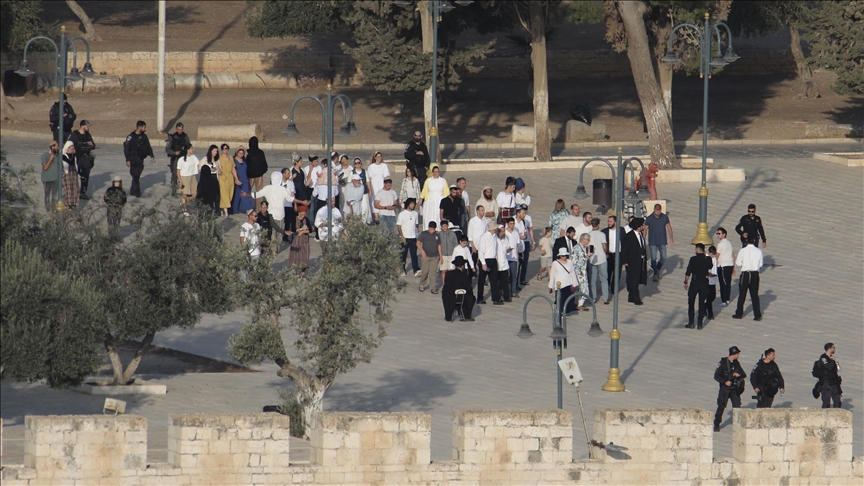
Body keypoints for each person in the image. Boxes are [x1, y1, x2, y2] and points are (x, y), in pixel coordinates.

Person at [243, 171, 295, 254]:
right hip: (280, 215)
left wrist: (246, 195)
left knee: (272, 232)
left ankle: (272, 248)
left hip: (271, 214)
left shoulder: (267, 188)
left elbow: (257, 194)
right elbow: (290, 199)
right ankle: (275, 249)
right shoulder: (282, 189)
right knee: (279, 232)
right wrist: (302, 201)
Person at [713, 346, 747, 432]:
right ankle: (716, 423)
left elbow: (743, 374)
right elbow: (716, 376)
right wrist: (725, 381)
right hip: (725, 388)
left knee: (737, 407)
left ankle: (738, 424)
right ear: (734, 354)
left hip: (734, 389)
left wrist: (738, 375)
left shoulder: (736, 363)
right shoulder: (723, 363)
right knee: (721, 406)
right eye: (737, 353)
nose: (738, 355)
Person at [732, 237, 763, 321]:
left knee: (742, 294)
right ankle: (757, 315)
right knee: (754, 295)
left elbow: (738, 263)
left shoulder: (743, 251)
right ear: (754, 241)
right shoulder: (758, 251)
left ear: (746, 241)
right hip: (754, 274)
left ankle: (739, 313)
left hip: (745, 273)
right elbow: (760, 264)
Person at [683, 243, 712, 329]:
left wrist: (685, 282)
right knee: (701, 302)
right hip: (704, 282)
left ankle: (691, 322)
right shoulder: (707, 259)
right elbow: (710, 266)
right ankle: (700, 323)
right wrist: (706, 255)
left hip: (695, 282)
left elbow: (688, 272)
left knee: (691, 302)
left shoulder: (693, 259)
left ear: (697, 250)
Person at [123, 121, 155, 198]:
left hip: (140, 159)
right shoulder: (131, 136)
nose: (145, 129)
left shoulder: (144, 136)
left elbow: (148, 146)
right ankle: (135, 193)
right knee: (135, 175)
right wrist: (127, 160)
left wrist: (152, 156)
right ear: (140, 127)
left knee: (137, 175)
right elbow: (126, 149)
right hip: (133, 158)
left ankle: (134, 191)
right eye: (144, 127)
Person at [644, 203, 674, 281]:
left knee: (663, 257)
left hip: (662, 240)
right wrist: (643, 240)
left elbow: (669, 227)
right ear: (654, 210)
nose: (658, 212)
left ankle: (658, 268)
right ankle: (655, 274)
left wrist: (671, 238)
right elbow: (645, 229)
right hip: (652, 241)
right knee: (653, 258)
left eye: (659, 211)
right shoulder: (649, 218)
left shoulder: (664, 217)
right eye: (656, 211)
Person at [622, 217, 647, 305]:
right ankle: (637, 299)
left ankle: (631, 297)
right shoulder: (629, 236)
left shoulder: (640, 235)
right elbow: (624, 249)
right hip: (632, 261)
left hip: (640, 260)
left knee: (636, 278)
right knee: (634, 280)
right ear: (638, 227)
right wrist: (624, 261)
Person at [442, 256, 475, 322]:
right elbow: (468, 287)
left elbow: (446, 284)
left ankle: (448, 316)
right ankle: (466, 315)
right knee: (471, 298)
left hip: (448, 295)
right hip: (459, 296)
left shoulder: (448, 273)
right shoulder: (464, 275)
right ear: (462, 266)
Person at [68, 120, 95, 199]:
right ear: (82, 126)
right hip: (77, 157)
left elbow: (93, 146)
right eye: (87, 126)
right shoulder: (75, 134)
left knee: (85, 175)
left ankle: (83, 192)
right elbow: (69, 144)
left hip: (86, 157)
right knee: (75, 174)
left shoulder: (88, 135)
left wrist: (91, 145)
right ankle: (73, 192)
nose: (88, 128)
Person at [549, 247, 577, 317]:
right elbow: (552, 275)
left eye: (565, 255)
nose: (564, 257)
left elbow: (572, 273)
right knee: (560, 300)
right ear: (560, 256)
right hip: (559, 285)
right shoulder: (555, 263)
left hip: (568, 283)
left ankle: (566, 312)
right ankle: (560, 312)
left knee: (567, 299)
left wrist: (574, 283)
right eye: (562, 256)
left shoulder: (570, 262)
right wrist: (550, 286)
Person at [602, 216, 625, 298]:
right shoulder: (604, 231)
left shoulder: (621, 230)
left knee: (617, 273)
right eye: (608, 221)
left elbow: (624, 242)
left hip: (618, 254)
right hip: (609, 255)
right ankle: (606, 287)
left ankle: (614, 288)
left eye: (611, 221)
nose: (609, 223)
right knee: (608, 272)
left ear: (615, 222)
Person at [588, 218, 610, 304]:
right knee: (604, 279)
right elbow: (604, 246)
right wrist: (606, 253)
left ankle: (593, 298)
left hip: (592, 259)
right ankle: (605, 298)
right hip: (601, 259)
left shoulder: (588, 234)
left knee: (593, 280)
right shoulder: (602, 234)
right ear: (598, 225)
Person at [814, 343, 842, 408]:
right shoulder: (823, 358)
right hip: (826, 383)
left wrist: (836, 362)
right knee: (826, 403)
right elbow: (829, 367)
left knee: (837, 401)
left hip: (834, 382)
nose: (834, 349)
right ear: (829, 348)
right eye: (833, 348)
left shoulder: (832, 359)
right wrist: (832, 361)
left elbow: (838, 369)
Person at [419, 166, 448, 230]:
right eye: (435, 172)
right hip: (430, 201)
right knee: (429, 217)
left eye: (437, 171)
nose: (436, 173)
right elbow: (424, 190)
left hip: (439, 201)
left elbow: (446, 193)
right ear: (432, 172)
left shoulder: (443, 181)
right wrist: (421, 199)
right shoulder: (428, 180)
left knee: (438, 216)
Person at [397, 198, 420, 276]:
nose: (413, 205)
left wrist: (417, 236)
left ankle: (416, 270)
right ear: (408, 204)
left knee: (414, 255)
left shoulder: (415, 214)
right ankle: (402, 269)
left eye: (414, 204)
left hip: (413, 237)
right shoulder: (402, 214)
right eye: (411, 204)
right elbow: (399, 226)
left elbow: (416, 226)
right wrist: (401, 236)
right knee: (403, 255)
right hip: (405, 237)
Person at [166, 122, 191, 193]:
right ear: (176, 129)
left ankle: (184, 189)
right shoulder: (172, 137)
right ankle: (174, 190)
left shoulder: (185, 136)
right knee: (175, 174)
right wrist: (174, 153)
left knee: (185, 173)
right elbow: (167, 149)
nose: (180, 131)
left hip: (184, 158)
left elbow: (188, 145)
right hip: (175, 158)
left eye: (181, 129)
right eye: (179, 129)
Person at [417, 221, 442, 293]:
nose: (432, 231)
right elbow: (418, 243)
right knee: (425, 271)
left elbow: (439, 245)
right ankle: (422, 284)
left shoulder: (437, 235)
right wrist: (422, 251)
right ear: (428, 228)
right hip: (426, 256)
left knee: (433, 272)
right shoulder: (423, 234)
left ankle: (433, 287)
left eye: (433, 229)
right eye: (430, 229)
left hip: (435, 256)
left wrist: (440, 255)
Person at [245, 136, 268, 210]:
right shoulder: (260, 152)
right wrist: (261, 172)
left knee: (247, 192)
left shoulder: (247, 152)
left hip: (249, 176)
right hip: (259, 176)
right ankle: (259, 209)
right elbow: (264, 165)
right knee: (259, 193)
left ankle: (248, 208)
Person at [231, 147, 255, 215]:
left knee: (245, 194)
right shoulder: (234, 160)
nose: (241, 154)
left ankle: (248, 208)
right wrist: (236, 179)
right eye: (239, 153)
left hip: (245, 179)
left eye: (242, 153)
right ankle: (235, 209)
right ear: (237, 153)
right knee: (236, 195)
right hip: (237, 179)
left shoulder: (245, 161)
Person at [367, 151, 391, 217]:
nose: (379, 158)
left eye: (380, 156)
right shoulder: (371, 167)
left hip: (382, 186)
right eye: (378, 157)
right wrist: (370, 189)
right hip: (374, 186)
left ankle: (382, 215)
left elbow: (386, 176)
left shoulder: (384, 166)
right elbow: (369, 178)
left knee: (382, 200)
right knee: (374, 200)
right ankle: (376, 216)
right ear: (375, 158)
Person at [714, 227, 735, 306]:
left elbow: (717, 255)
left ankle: (724, 300)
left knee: (723, 283)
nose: (718, 235)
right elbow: (733, 254)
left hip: (723, 265)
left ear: (724, 234)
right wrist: (734, 266)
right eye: (717, 234)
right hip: (730, 264)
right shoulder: (729, 243)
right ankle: (727, 299)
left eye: (719, 233)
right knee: (728, 282)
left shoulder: (720, 244)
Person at [240, 209, 262, 280]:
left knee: (255, 270)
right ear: (250, 216)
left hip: (256, 252)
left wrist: (260, 248)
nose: (257, 217)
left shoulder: (257, 225)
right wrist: (246, 250)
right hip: (248, 251)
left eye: (257, 215)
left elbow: (259, 237)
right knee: (245, 270)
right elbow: (242, 240)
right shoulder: (244, 226)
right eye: (255, 216)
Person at [573, 233, 592, 310]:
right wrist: (588, 255)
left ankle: (579, 303)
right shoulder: (577, 248)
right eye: (587, 240)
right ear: (583, 239)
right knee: (581, 288)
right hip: (578, 272)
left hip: (582, 271)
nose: (588, 241)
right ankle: (579, 304)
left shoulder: (583, 248)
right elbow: (577, 260)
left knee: (582, 287)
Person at [467, 204, 487, 277]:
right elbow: (470, 234)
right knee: (472, 263)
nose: (483, 212)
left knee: (482, 262)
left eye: (483, 210)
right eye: (481, 210)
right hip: (474, 246)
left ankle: (482, 278)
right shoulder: (472, 221)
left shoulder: (485, 221)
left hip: (482, 246)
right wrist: (472, 246)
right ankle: (470, 279)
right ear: (477, 211)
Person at [504, 218, 522, 298]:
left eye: (513, 223)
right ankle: (502, 290)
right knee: (504, 276)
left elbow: (517, 246)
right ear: (507, 224)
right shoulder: (504, 232)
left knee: (513, 275)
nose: (512, 225)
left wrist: (517, 256)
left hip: (514, 257)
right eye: (511, 223)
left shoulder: (515, 233)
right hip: (505, 257)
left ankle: (513, 291)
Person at [495, 225, 512, 304]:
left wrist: (509, 249)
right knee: (496, 281)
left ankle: (506, 297)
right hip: (497, 264)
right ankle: (497, 296)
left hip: (504, 264)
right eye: (502, 231)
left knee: (505, 281)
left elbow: (508, 247)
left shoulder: (505, 239)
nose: (504, 232)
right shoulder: (494, 240)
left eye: (504, 231)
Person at [40, 140, 60, 212]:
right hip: (47, 179)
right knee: (47, 195)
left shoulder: (58, 156)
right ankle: (48, 210)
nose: (58, 148)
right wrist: (51, 159)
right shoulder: (45, 155)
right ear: (52, 147)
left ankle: (53, 210)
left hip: (56, 179)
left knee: (54, 196)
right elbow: (45, 167)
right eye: (57, 146)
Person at [439, 220, 459, 286]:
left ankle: (451, 285)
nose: (444, 228)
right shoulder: (440, 234)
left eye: (445, 226)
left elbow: (456, 245)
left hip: (451, 255)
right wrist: (440, 256)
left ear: (448, 226)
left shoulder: (453, 234)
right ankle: (444, 285)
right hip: (443, 255)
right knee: (443, 271)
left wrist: (455, 256)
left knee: (451, 271)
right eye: (442, 226)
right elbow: (438, 245)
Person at [217, 144, 234, 217]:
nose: (225, 150)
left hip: (230, 177)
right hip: (222, 177)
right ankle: (226, 211)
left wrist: (236, 178)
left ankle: (222, 207)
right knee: (224, 194)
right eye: (223, 149)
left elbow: (233, 168)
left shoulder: (231, 157)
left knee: (230, 193)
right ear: (221, 150)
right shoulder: (219, 158)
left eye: (226, 148)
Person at [60, 141, 80, 208]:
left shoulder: (74, 156)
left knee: (75, 189)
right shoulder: (63, 156)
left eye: (73, 149)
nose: (72, 150)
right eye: (71, 149)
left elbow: (76, 164)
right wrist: (73, 155)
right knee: (68, 189)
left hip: (74, 175)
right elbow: (70, 162)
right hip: (67, 174)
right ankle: (68, 204)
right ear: (67, 149)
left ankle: (74, 203)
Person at [704, 245, 719, 320]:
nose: (713, 256)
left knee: (713, 296)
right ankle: (710, 314)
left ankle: (704, 307)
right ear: (709, 253)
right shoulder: (706, 258)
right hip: (708, 280)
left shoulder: (714, 258)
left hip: (713, 280)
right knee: (709, 298)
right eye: (712, 254)